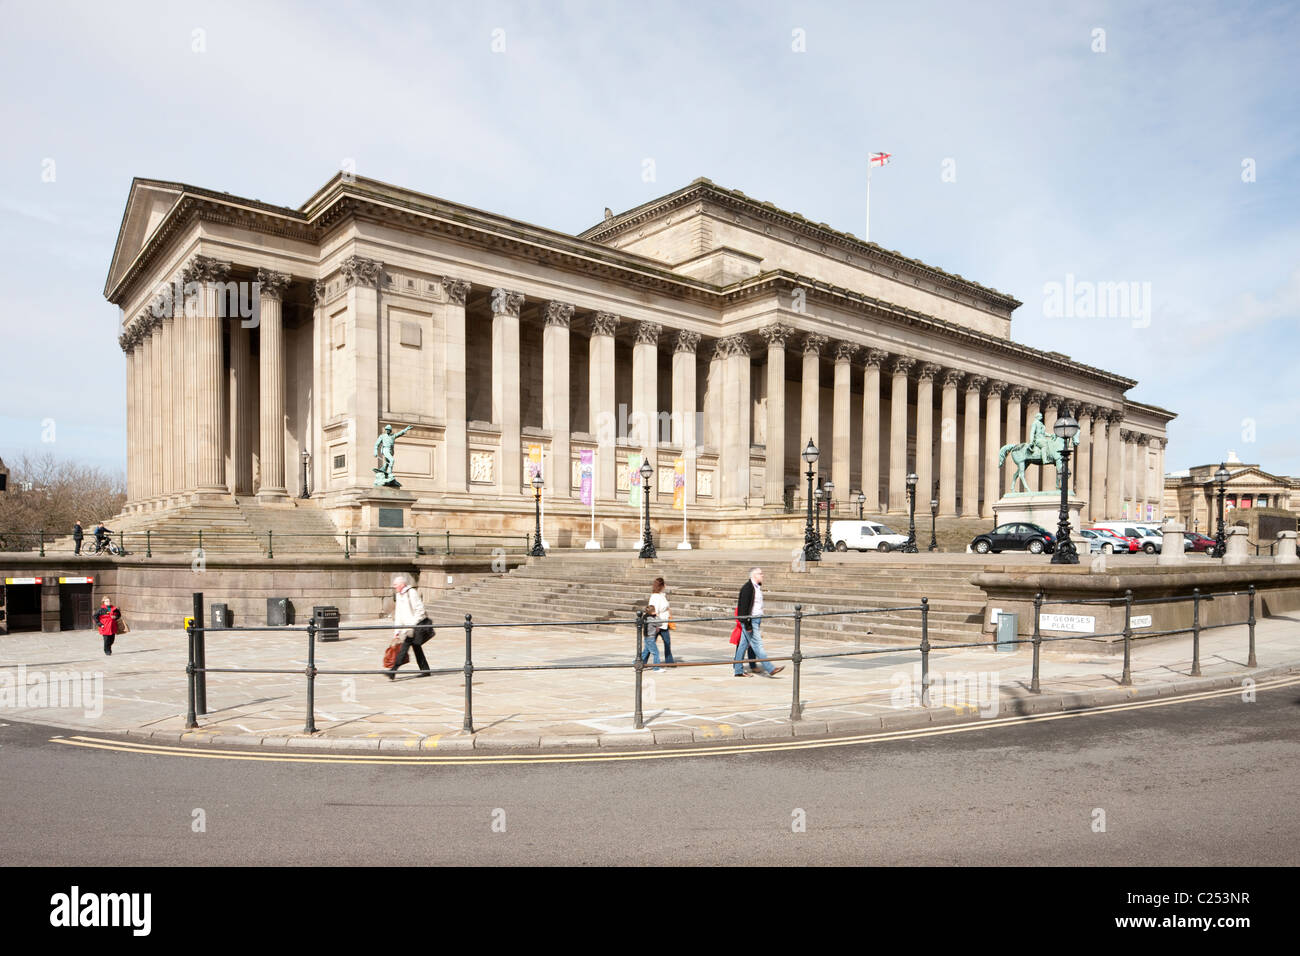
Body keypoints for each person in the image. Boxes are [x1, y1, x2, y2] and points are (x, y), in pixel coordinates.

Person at [733, 567, 783, 678]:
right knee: (758, 645)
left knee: (742, 645)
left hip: (755, 620)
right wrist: (747, 624)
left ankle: (738, 670)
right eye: (760, 574)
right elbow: (743, 608)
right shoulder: (747, 588)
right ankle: (770, 668)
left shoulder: (756, 587)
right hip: (751, 621)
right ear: (754, 575)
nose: (763, 575)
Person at [387, 573, 433, 679]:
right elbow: (398, 614)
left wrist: (413, 624)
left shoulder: (411, 593)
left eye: (396, 585)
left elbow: (420, 610)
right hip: (408, 628)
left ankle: (393, 671)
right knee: (417, 648)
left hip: (414, 627)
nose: (394, 587)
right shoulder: (399, 595)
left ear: (402, 584)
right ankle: (425, 670)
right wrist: (396, 631)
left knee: (404, 648)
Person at [642, 577, 672, 671]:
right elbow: (653, 611)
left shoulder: (661, 595)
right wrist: (656, 624)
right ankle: (641, 663)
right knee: (649, 647)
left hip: (663, 623)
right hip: (658, 624)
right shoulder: (655, 597)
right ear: (662, 585)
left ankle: (670, 662)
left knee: (666, 643)